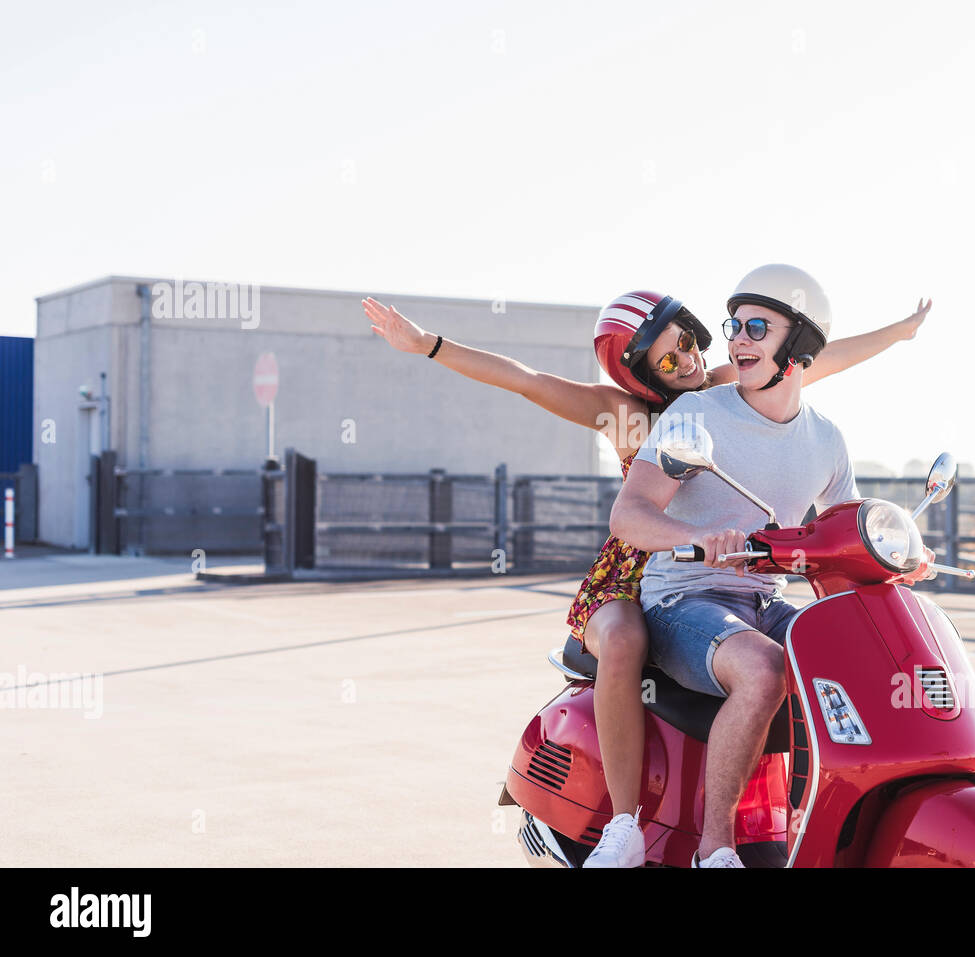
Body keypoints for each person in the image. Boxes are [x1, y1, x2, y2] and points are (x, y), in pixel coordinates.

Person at [363, 285, 934, 867]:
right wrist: (428, 345)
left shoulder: (721, 389)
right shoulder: (625, 413)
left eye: (687, 343)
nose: (686, 361)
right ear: (638, 374)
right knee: (627, 639)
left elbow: (813, 359)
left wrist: (895, 334)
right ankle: (621, 825)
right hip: (635, 569)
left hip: (723, 566)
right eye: (666, 359)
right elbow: (524, 378)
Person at [609, 264, 935, 868]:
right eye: (733, 325)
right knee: (764, 670)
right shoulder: (697, 417)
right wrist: (698, 537)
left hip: (760, 600)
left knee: (864, 654)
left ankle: (835, 824)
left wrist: (901, 555)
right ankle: (716, 848)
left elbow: (844, 531)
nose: (737, 339)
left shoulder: (826, 440)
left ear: (800, 345)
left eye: (756, 326)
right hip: (684, 599)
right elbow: (628, 516)